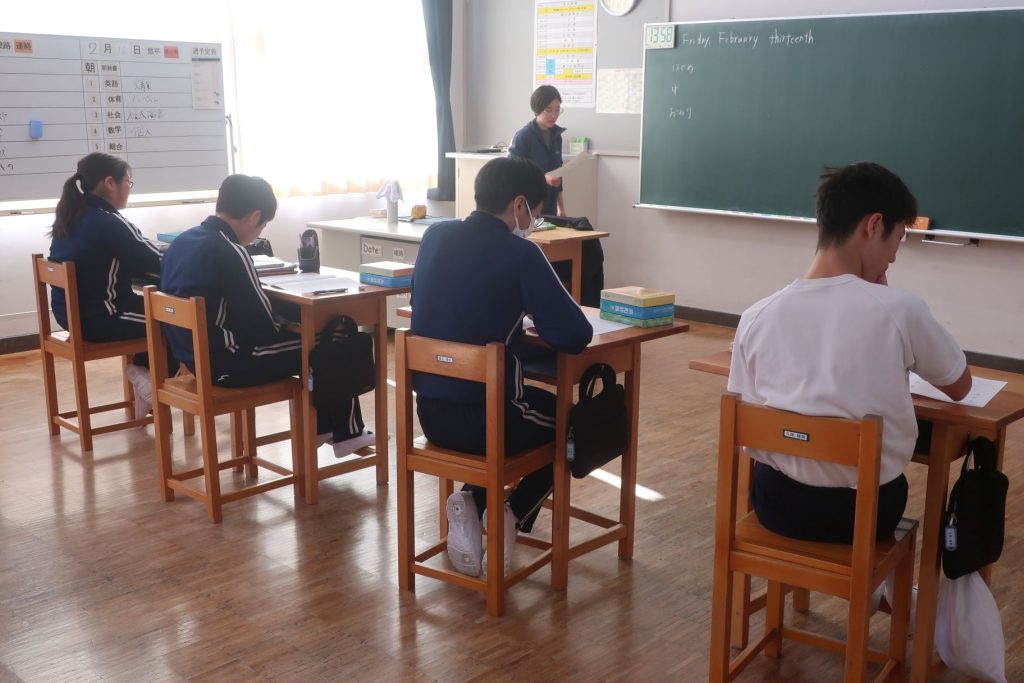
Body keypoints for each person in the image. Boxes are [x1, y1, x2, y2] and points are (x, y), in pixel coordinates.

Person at [727, 162, 973, 545]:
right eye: (898, 239)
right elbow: (960, 387)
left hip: (776, 505)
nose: (894, 257)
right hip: (865, 514)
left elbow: (747, 413)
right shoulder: (900, 310)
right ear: (873, 225)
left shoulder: (757, 315)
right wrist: (885, 300)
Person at [411, 156, 593, 577]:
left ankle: (471, 499)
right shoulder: (522, 254)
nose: (532, 222)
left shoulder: (435, 235)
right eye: (534, 212)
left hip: (431, 417)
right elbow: (574, 335)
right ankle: (509, 512)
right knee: (574, 427)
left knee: (518, 409)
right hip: (491, 421)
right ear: (518, 204)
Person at [160, 174, 370, 453]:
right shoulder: (230, 251)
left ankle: (325, 426)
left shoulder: (182, 242)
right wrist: (290, 319)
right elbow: (263, 327)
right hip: (231, 365)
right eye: (263, 225)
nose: (259, 233)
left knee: (316, 339)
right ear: (254, 216)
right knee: (338, 337)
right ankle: (345, 433)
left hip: (194, 360)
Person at [48, 152, 164, 414]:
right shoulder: (108, 222)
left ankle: (144, 376)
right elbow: (154, 260)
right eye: (128, 182)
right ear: (110, 183)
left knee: (162, 311)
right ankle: (146, 377)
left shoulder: (73, 215)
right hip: (105, 317)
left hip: (70, 317)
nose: (129, 189)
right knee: (181, 322)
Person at [509, 84, 565, 217]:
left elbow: (558, 176)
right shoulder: (524, 136)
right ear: (537, 109)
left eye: (557, 110)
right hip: (528, 208)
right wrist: (543, 178)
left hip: (550, 207)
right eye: (548, 110)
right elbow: (512, 172)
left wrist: (561, 208)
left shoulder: (557, 136)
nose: (554, 115)